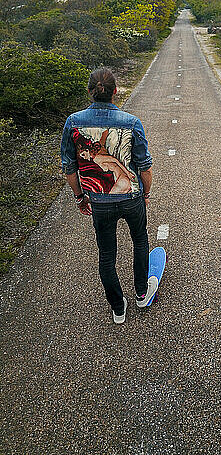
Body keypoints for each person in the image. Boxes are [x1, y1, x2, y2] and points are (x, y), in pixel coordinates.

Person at [61, 68, 157, 324]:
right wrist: (146, 193)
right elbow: (144, 166)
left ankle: (117, 307)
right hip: (131, 197)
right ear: (115, 91)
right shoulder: (132, 123)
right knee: (139, 241)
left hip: (99, 202)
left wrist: (81, 197)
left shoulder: (73, 122)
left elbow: (69, 167)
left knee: (106, 255)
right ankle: (140, 292)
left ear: (90, 91)